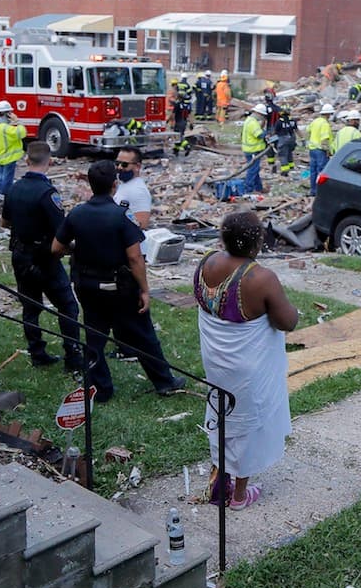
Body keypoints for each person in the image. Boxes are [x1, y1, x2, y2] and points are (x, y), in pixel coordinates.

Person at [51, 160, 185, 402]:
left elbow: (56, 248)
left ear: (90, 184)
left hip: (87, 286)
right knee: (143, 335)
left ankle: (100, 388)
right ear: (114, 185)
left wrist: (80, 250)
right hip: (119, 287)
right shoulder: (122, 216)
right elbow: (134, 257)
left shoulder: (77, 214)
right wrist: (144, 290)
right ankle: (164, 382)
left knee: (94, 337)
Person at [196, 210, 299, 510]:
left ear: (223, 238)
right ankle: (239, 495)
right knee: (249, 423)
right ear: (257, 243)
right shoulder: (261, 278)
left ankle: (220, 480)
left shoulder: (206, 263)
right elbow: (287, 322)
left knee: (221, 411)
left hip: (215, 358)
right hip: (248, 365)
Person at [2, 142, 83, 370]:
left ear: (27, 161)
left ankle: (37, 353)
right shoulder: (48, 194)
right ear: (50, 161)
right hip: (44, 257)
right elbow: (62, 232)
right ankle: (73, 356)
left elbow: (5, 222)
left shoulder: (13, 189)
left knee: (30, 307)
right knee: (67, 306)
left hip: (20, 254)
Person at [0, 100, 26, 196]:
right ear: (7, 114)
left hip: (0, 157)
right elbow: (22, 132)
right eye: (10, 113)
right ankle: (4, 196)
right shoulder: (6, 128)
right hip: (9, 158)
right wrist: (17, 121)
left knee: (1, 179)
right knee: (7, 180)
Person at [241, 104, 269, 193]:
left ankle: (258, 188)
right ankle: (248, 189)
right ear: (257, 113)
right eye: (262, 115)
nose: (262, 117)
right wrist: (266, 133)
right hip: (253, 150)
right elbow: (259, 135)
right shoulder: (253, 123)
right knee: (252, 170)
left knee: (255, 169)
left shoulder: (250, 120)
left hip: (250, 149)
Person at [307, 104, 334, 195]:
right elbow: (325, 139)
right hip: (320, 150)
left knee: (313, 170)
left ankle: (313, 190)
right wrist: (327, 151)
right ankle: (321, 191)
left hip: (312, 149)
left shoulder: (315, 121)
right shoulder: (325, 124)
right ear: (328, 114)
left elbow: (308, 130)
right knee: (322, 171)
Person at [273, 106, 299, 177]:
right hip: (292, 139)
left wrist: (270, 139)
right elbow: (297, 130)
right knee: (289, 153)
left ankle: (285, 171)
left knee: (283, 155)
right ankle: (291, 167)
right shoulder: (292, 121)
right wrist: (302, 139)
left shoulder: (279, 121)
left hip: (283, 140)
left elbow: (275, 132)